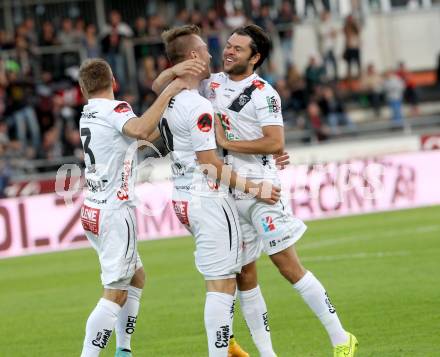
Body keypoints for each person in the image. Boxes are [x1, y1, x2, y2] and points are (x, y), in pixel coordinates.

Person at [153, 24, 358, 357]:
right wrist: (177, 67)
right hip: (232, 190)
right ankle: (267, 354)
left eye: (238, 48)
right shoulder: (212, 84)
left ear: (255, 57)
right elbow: (161, 85)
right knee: (246, 273)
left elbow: (275, 141)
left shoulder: (264, 93)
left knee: (287, 266)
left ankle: (340, 338)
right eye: (228, 45)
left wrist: (228, 142)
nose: (228, 51)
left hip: (262, 189)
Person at [156, 25, 280, 357]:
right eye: (206, 50)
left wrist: (174, 70)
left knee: (229, 275)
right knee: (222, 284)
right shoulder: (197, 106)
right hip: (206, 198)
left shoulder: (169, 94)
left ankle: (232, 348)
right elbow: (210, 163)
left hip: (181, 195)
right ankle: (220, 351)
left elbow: (158, 83)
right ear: (194, 57)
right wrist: (255, 187)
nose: (214, 53)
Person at [77, 58, 199, 357]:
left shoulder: (88, 113)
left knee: (136, 276)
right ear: (114, 81)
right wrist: (170, 91)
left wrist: (170, 129)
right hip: (115, 212)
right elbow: (142, 130)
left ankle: (123, 350)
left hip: (92, 209)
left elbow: (136, 141)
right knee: (115, 292)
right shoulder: (116, 109)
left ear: (83, 89)